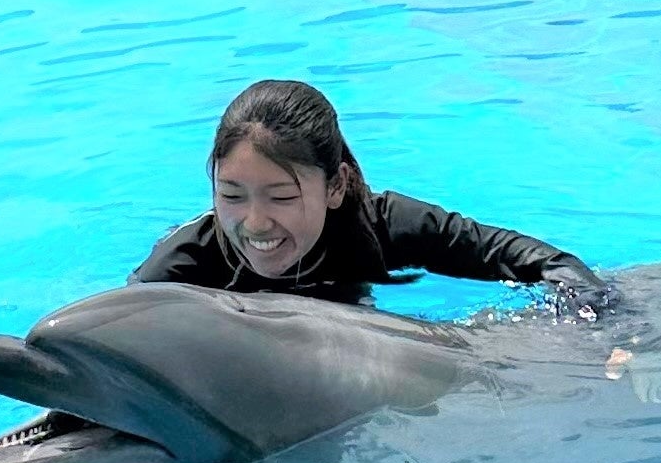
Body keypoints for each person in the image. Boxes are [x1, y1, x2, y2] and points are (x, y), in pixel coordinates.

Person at [129, 79, 615, 318]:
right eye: (231, 195)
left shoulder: (383, 225)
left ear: (336, 186)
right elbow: (112, 341)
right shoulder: (190, 261)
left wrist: (596, 320)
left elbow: (534, 259)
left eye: (280, 197)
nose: (254, 223)